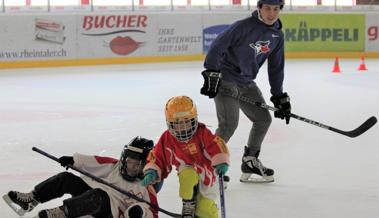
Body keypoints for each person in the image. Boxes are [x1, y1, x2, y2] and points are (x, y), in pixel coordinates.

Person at [200, 0, 291, 183]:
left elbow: (276, 68)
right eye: (267, 8)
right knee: (228, 126)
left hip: (246, 83)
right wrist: (212, 71)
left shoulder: (277, 36)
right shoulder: (243, 26)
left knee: (263, 119)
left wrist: (279, 95)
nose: (271, 13)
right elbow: (218, 45)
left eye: (275, 9)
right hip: (226, 79)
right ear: (259, 8)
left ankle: (250, 160)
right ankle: (205, 167)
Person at [3, 137, 160, 218]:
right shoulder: (115, 167)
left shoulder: (147, 188)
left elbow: (152, 213)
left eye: (137, 164)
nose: (131, 166)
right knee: (66, 178)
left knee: (99, 196)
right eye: (128, 161)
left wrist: (138, 212)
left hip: (109, 213)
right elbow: (94, 161)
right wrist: (73, 160)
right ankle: (31, 200)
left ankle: (62, 213)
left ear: (146, 164)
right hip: (92, 199)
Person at [140, 96, 230, 218]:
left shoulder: (203, 133)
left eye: (186, 121)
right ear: (170, 123)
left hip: (208, 173)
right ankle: (188, 203)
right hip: (188, 169)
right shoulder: (167, 138)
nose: (183, 127)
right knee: (187, 175)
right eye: (177, 123)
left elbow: (217, 144)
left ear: (194, 120)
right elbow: (157, 155)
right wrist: (152, 170)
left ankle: (202, 209)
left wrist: (221, 161)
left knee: (205, 210)